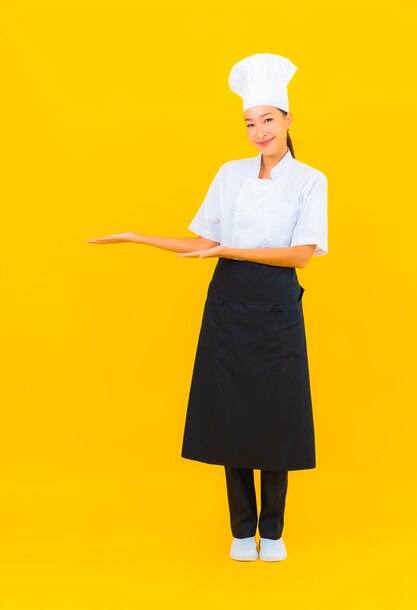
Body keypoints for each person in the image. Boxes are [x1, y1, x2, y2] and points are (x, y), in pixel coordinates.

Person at [87, 52, 328, 563]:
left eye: (267, 120)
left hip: (276, 305)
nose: (259, 131)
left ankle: (274, 530)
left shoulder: (310, 180)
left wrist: (229, 251)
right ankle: (242, 532)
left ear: (287, 120)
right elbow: (201, 243)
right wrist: (139, 236)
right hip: (227, 304)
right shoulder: (230, 174)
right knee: (232, 413)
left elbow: (301, 256)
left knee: (274, 418)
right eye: (249, 123)